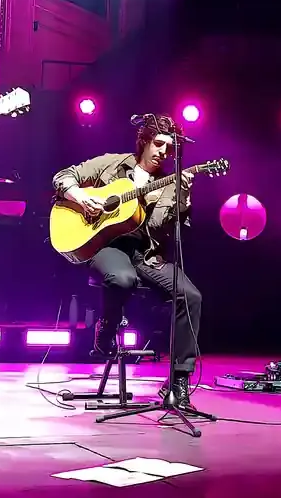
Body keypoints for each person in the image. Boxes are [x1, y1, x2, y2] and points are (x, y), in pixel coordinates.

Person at [51, 114, 202, 409]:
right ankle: (106, 327)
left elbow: (163, 229)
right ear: (144, 142)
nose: (163, 152)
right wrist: (81, 198)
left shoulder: (170, 182)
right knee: (122, 279)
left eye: (169, 149)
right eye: (158, 144)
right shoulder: (112, 163)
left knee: (191, 296)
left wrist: (181, 197)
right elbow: (63, 176)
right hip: (107, 245)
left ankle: (178, 382)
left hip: (146, 252)